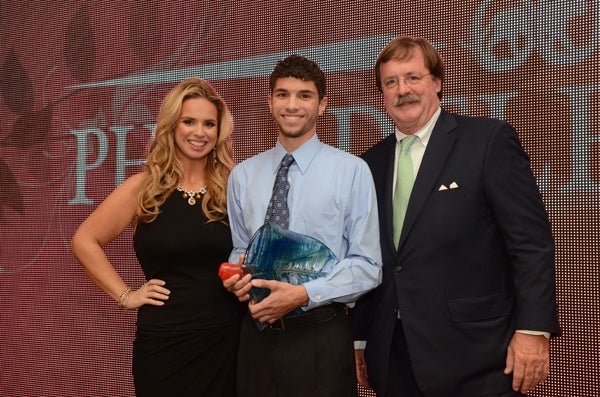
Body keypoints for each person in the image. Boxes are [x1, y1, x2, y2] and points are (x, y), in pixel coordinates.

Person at [352, 36, 560, 397]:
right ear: (381, 95)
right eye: (391, 82)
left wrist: (532, 331)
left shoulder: (487, 141)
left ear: (437, 83)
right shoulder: (369, 163)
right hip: (393, 354)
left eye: (413, 77)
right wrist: (359, 337)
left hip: (477, 356)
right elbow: (369, 256)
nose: (403, 90)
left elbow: (530, 243)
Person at [71, 78, 244, 396]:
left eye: (209, 124)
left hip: (226, 338)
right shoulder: (143, 187)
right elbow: (84, 240)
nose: (199, 132)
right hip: (164, 343)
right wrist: (126, 295)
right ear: (171, 126)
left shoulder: (233, 188)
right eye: (189, 121)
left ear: (219, 132)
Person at [222, 54, 382, 397]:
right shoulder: (242, 175)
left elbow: (368, 266)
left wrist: (303, 294)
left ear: (322, 105)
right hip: (256, 335)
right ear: (269, 101)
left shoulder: (351, 171)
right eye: (282, 94)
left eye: (304, 95)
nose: (292, 105)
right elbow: (240, 247)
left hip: (320, 334)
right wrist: (238, 276)